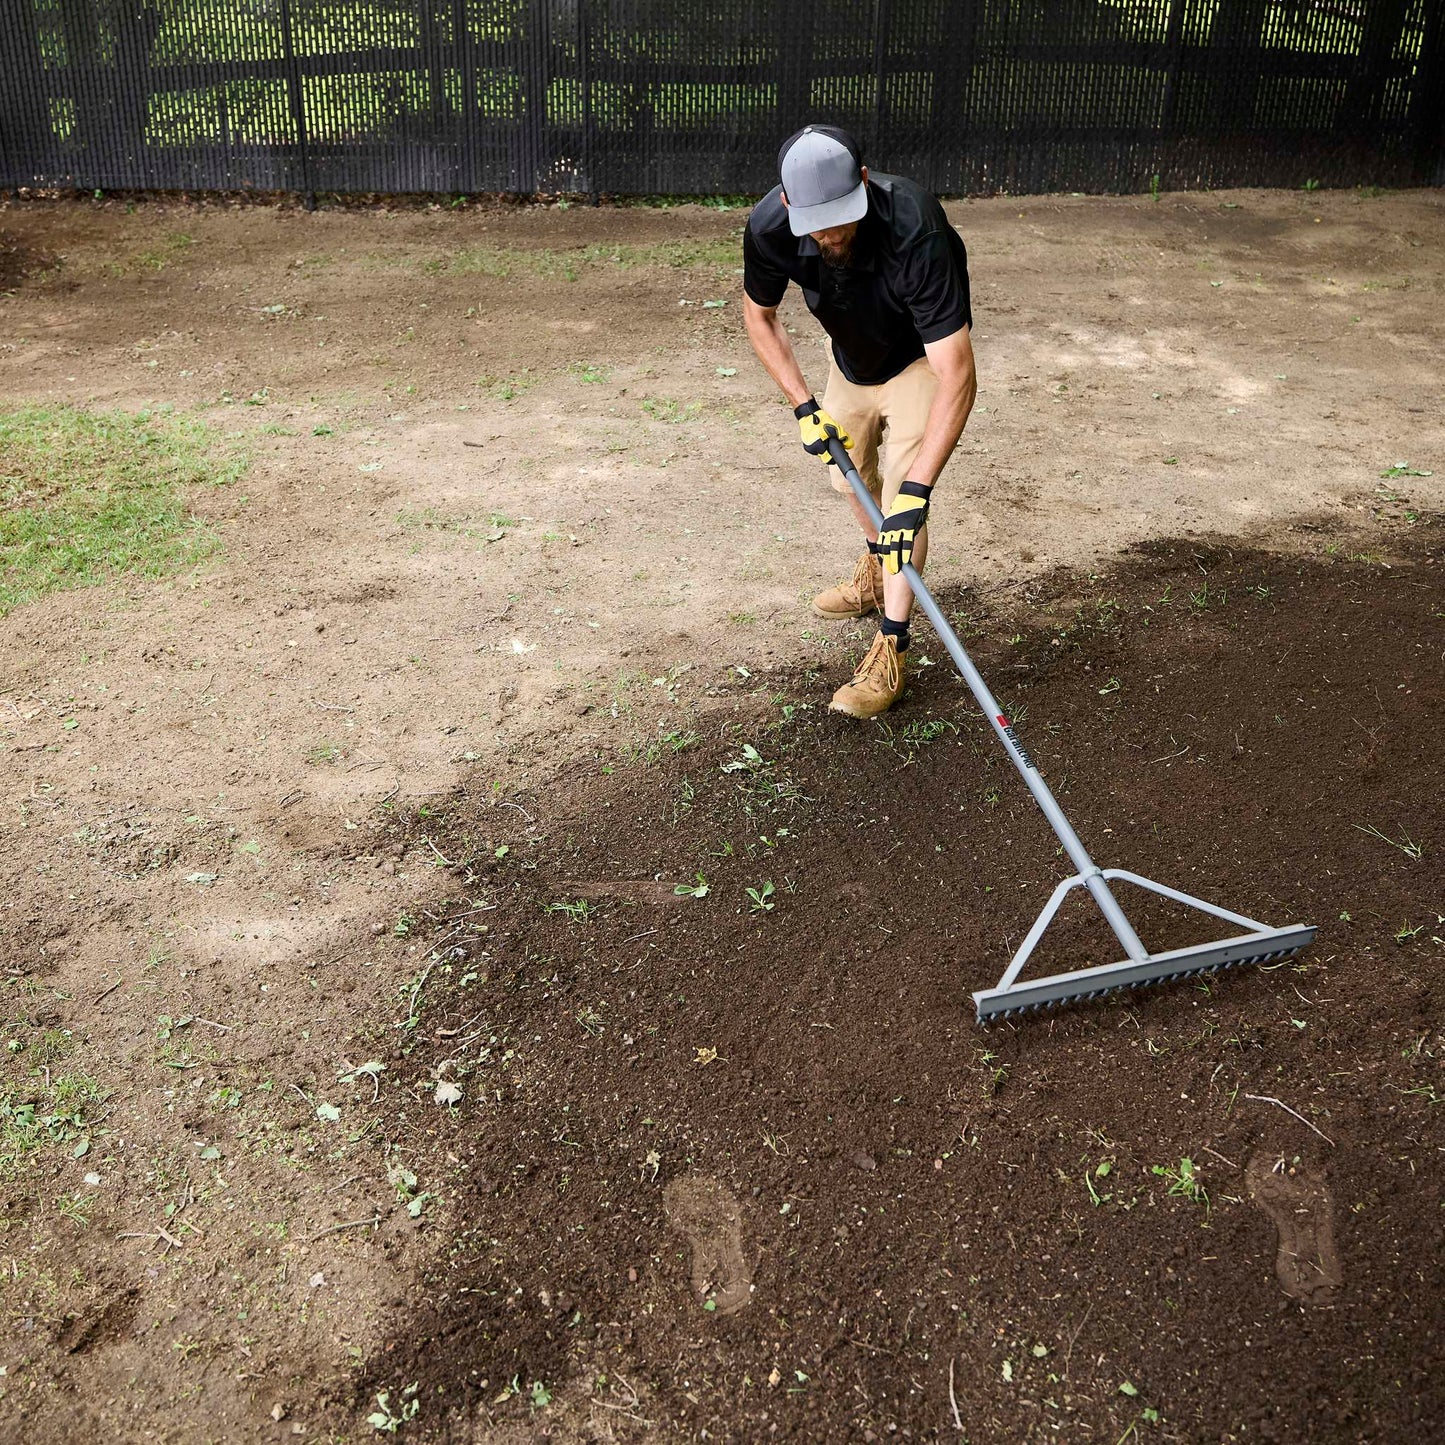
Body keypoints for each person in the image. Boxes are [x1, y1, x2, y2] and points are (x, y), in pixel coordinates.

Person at [742, 124, 977, 717]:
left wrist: (919, 491)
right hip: (851, 363)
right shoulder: (769, 228)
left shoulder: (916, 228)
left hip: (918, 359)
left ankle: (891, 646)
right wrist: (803, 406)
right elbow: (760, 316)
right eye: (816, 220)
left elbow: (957, 372)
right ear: (789, 204)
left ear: (865, 183)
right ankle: (877, 570)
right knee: (849, 475)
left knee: (899, 495)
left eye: (843, 214)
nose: (832, 232)